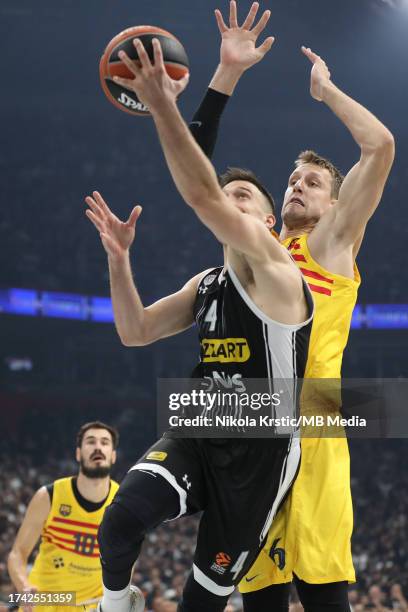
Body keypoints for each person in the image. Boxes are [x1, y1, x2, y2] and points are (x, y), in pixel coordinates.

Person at [85, 26, 313, 612]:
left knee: (201, 601)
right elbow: (134, 332)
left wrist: (170, 99)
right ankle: (117, 602)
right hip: (199, 432)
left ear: (267, 226)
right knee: (118, 523)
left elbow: (201, 193)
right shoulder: (205, 284)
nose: (227, 198)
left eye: (243, 197)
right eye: (228, 192)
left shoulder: (280, 273)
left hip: (261, 454)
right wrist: (120, 261)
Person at [183, 2, 395, 611]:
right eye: (293, 178)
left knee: (325, 594)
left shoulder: (331, 244)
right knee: (262, 600)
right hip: (255, 427)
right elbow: (194, 175)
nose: (297, 184)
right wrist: (224, 76)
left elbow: (379, 145)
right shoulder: (259, 251)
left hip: (319, 424)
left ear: (335, 206)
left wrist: (326, 91)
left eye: (312, 181)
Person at [7, 422, 119, 612]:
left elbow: (127, 559)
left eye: (105, 442)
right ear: (78, 453)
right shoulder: (48, 496)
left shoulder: (122, 503)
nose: (98, 447)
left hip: (91, 606)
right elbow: (18, 553)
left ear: (113, 455)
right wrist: (23, 586)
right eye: (91, 442)